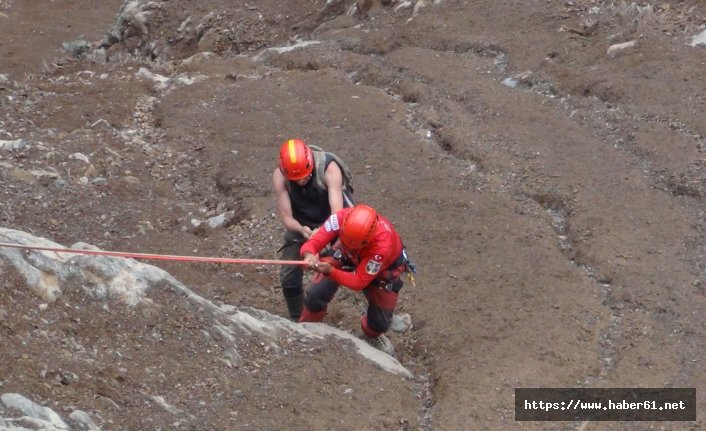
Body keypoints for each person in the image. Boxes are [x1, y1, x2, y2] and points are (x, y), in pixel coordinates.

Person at [299, 204, 412, 355]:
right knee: (317, 292)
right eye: (346, 239)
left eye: (354, 244)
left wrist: (331, 271)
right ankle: (307, 327)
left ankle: (373, 332)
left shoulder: (383, 245)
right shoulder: (339, 218)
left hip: (382, 271)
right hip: (344, 253)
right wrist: (309, 255)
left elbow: (359, 281)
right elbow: (313, 243)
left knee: (379, 323)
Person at [273, 138, 353, 320]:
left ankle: (381, 316)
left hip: (334, 222)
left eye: (305, 176)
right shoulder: (279, 177)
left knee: (357, 261)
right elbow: (286, 216)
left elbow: (337, 212)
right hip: (303, 223)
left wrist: (323, 233)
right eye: (295, 179)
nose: (301, 181)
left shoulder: (329, 169)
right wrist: (302, 231)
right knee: (288, 276)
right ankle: (297, 318)